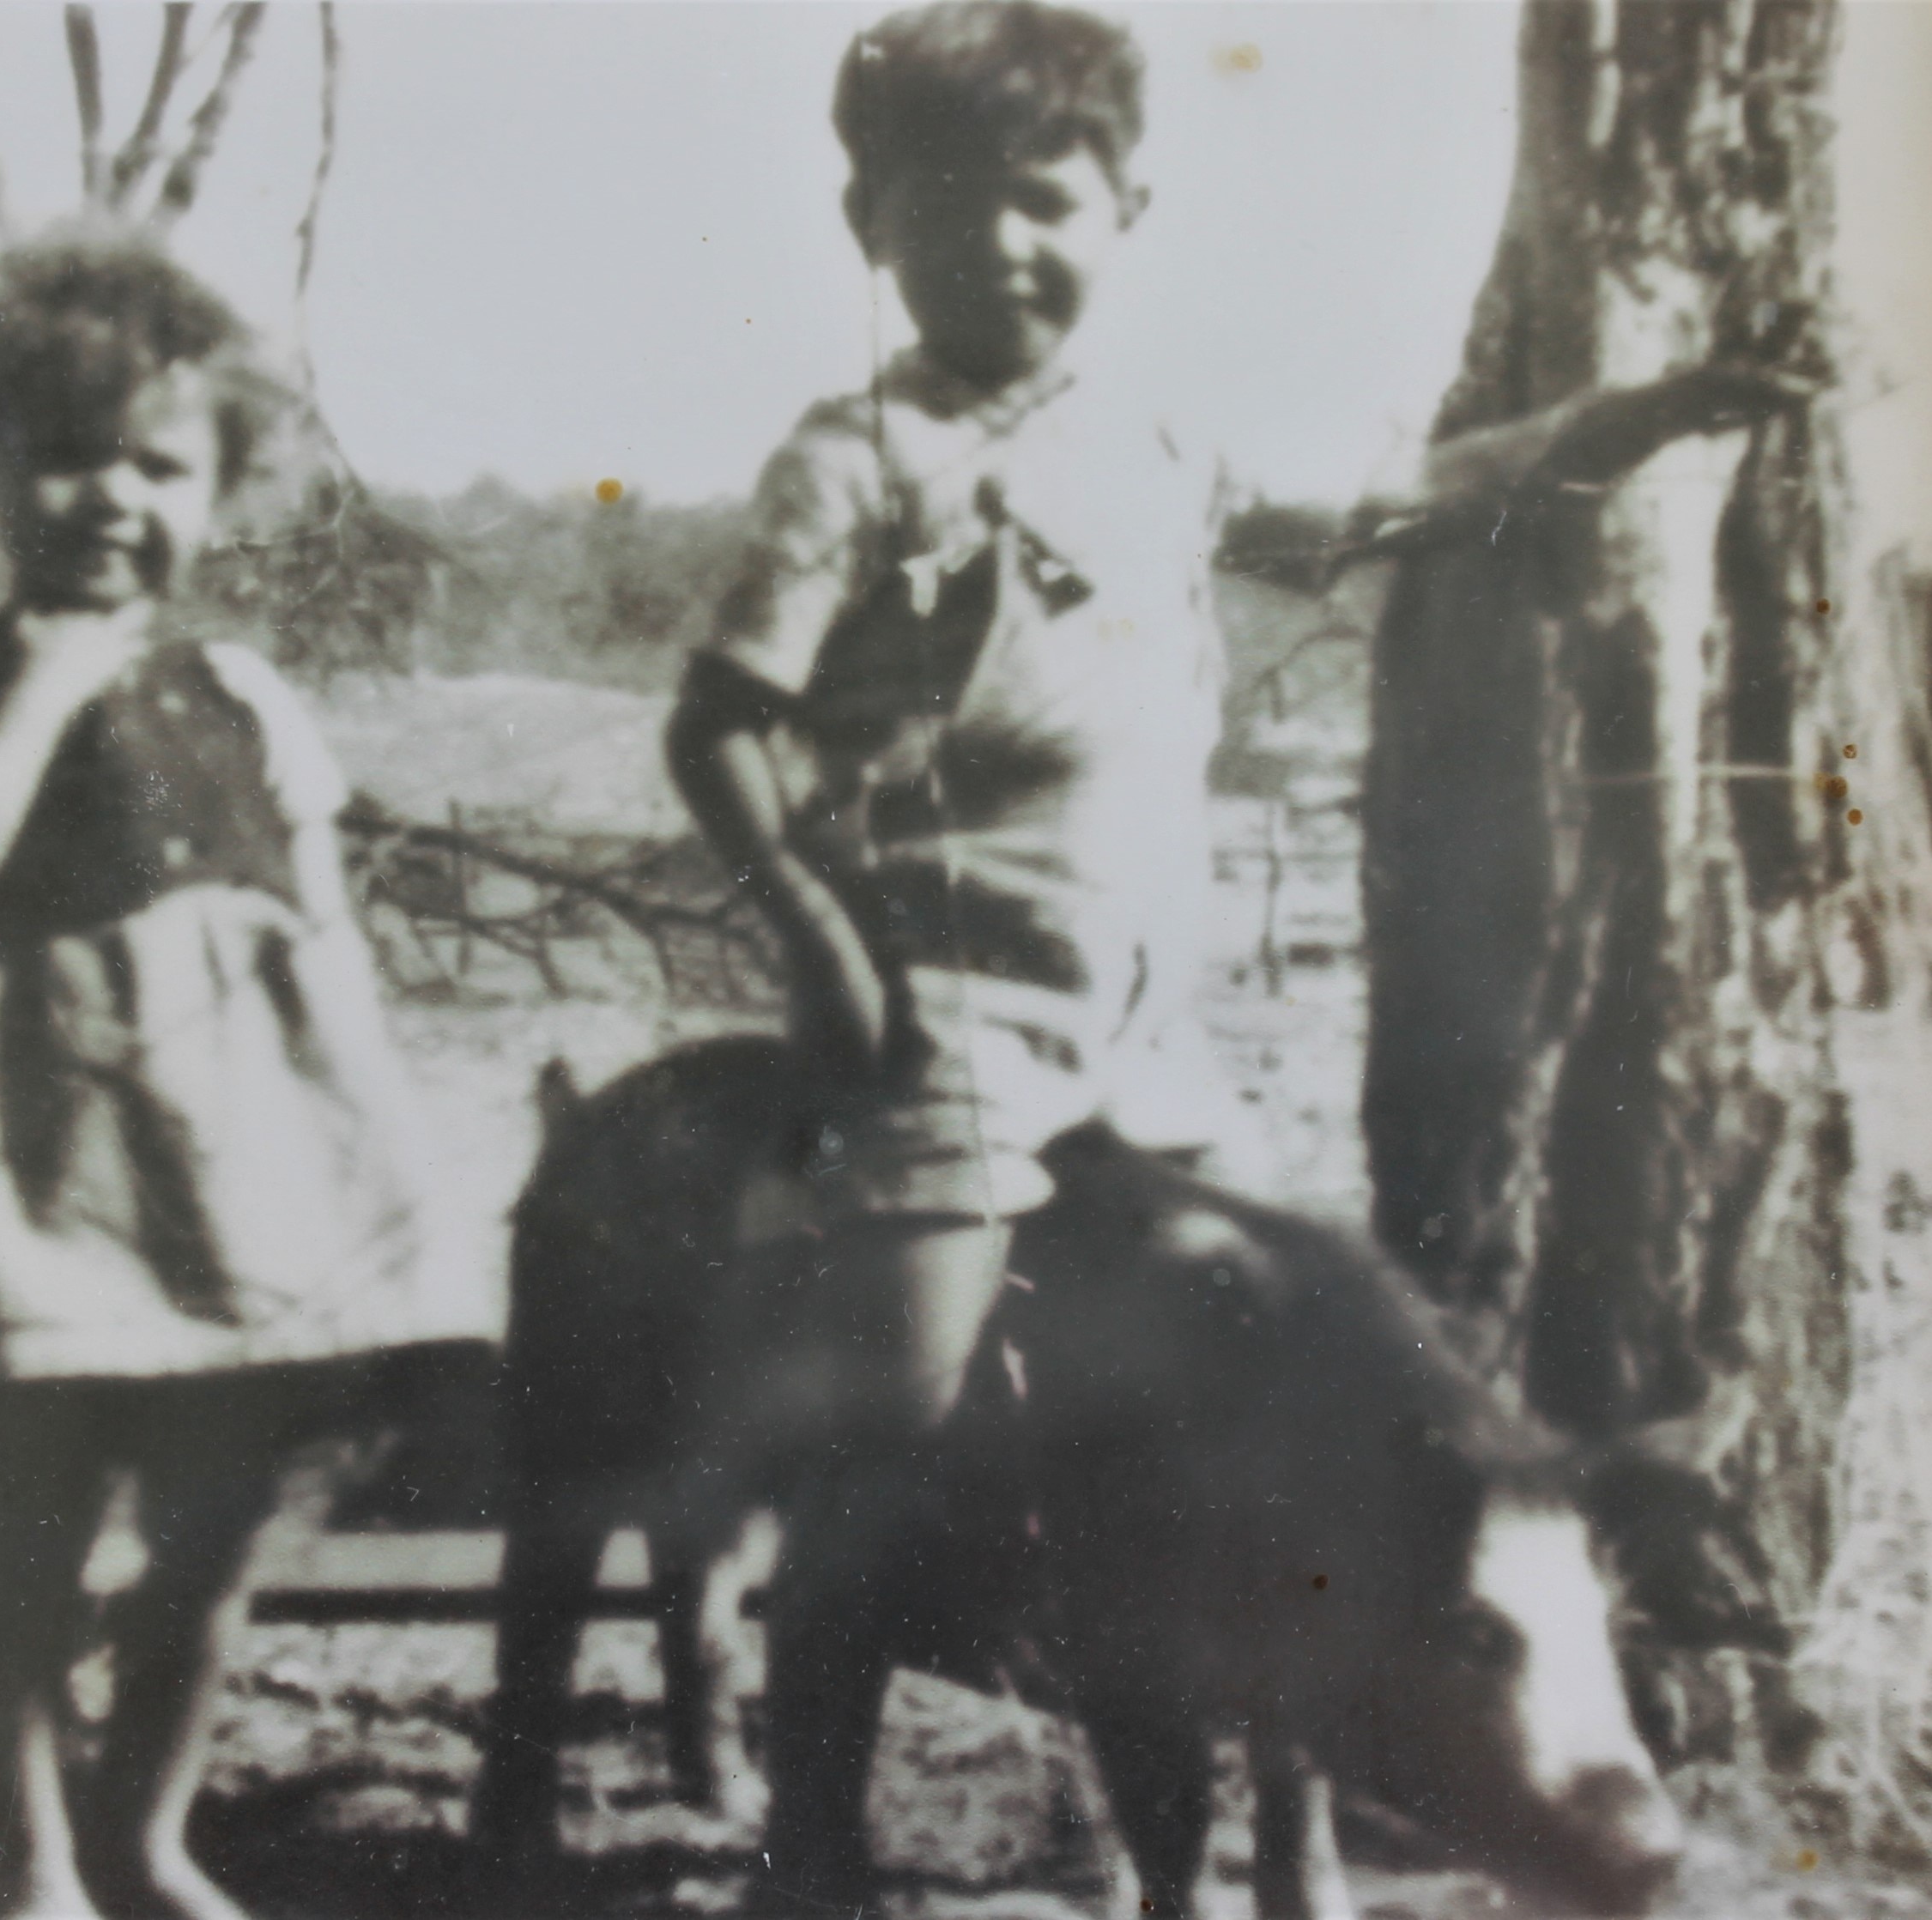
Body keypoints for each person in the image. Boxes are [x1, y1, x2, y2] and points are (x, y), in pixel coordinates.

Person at [0, 230, 486, 1920]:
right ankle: (37, 1867)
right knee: (31, 1544)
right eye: (67, 452)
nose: (114, 495)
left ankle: (149, 1835)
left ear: (223, 490)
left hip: (234, 1181)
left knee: (217, 1537)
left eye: (161, 466)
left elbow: (324, 937)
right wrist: (45, 675)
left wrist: (381, 1178)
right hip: (39, 1181)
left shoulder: (242, 691)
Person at [660, 3, 1268, 1903]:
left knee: (1212, 1441)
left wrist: (1606, 434)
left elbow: (1378, 519)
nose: (1000, 244)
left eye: (1044, 201)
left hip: (1148, 1049)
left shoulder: (1164, 448)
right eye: (943, 206)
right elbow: (717, 728)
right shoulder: (862, 455)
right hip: (948, 1034)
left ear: (1125, 209)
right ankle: (809, 1851)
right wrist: (822, 947)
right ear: (871, 225)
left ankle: (1192, 1862)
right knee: (891, 1437)